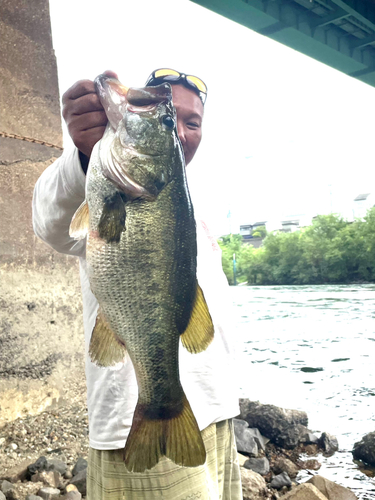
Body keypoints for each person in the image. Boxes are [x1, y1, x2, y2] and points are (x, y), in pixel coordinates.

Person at [32, 68, 242, 500]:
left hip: (213, 413)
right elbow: (51, 224)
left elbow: (202, 324)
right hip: (136, 418)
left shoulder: (188, 212)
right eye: (169, 119)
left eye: (193, 122)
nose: (181, 131)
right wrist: (85, 156)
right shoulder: (107, 184)